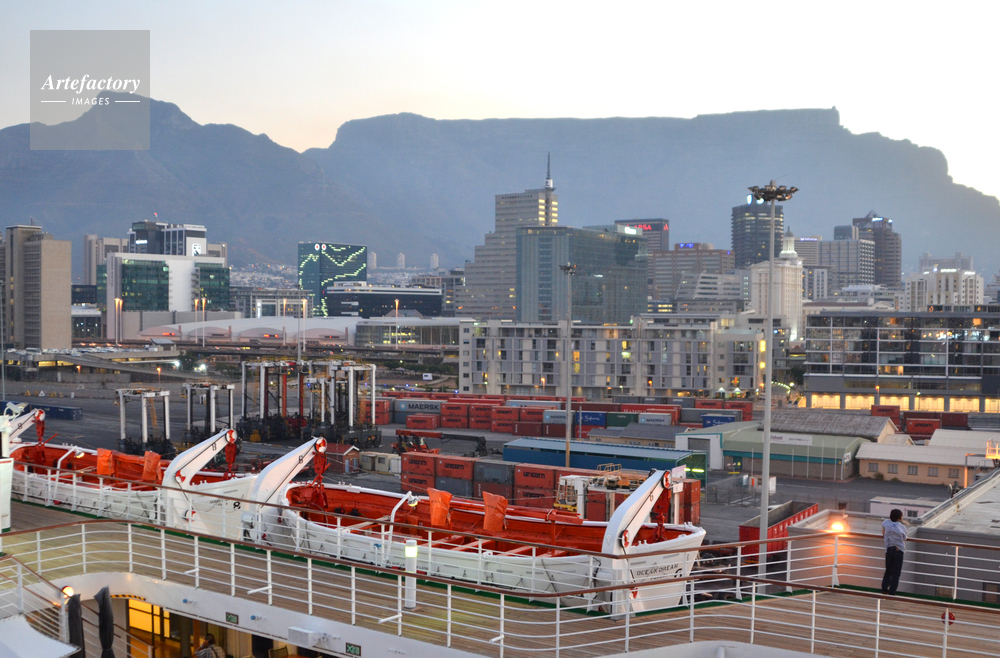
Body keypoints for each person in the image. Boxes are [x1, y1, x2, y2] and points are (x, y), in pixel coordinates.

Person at [881, 508, 907, 595]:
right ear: (900, 518)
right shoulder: (902, 527)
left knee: (888, 571)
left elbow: (883, 531)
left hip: (889, 548)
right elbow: (904, 538)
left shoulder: (885, 523)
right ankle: (892, 592)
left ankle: (884, 589)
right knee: (896, 573)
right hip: (899, 550)